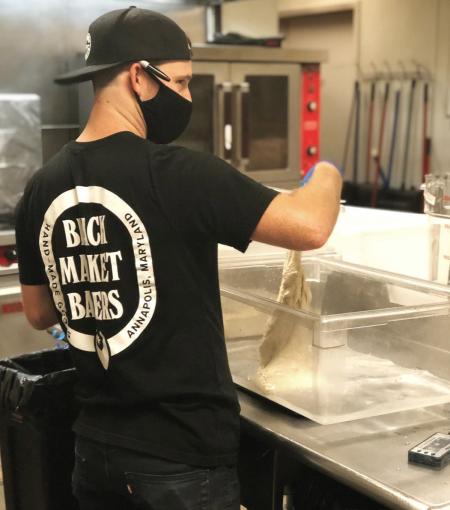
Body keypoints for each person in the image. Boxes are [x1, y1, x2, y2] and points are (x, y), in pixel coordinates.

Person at [15, 6, 342, 510]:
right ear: (139, 78)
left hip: (96, 452)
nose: (186, 97)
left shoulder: (42, 186)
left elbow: (39, 313)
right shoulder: (180, 173)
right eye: (183, 82)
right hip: (180, 462)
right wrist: (327, 172)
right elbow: (311, 226)